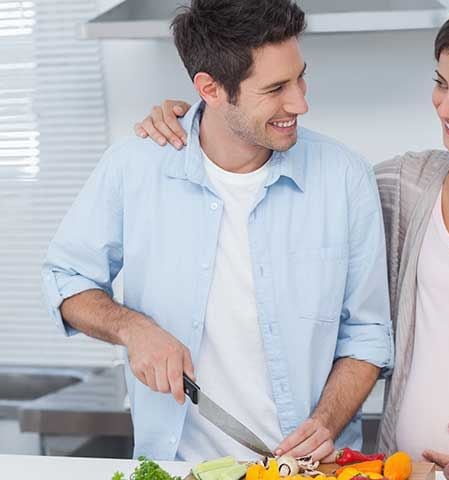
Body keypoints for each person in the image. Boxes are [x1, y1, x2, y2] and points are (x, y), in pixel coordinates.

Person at [134, 0, 449, 467]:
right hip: (405, 470)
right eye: (441, 83)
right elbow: (288, 184)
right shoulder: (400, 189)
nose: (446, 107)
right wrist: (201, 120)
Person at [41, 0, 393, 463]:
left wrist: (325, 424)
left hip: (311, 471)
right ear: (210, 88)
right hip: (178, 467)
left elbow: (367, 332)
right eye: (275, 88)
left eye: (300, 76)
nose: (301, 102)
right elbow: (67, 280)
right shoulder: (135, 168)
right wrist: (134, 329)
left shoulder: (344, 177)